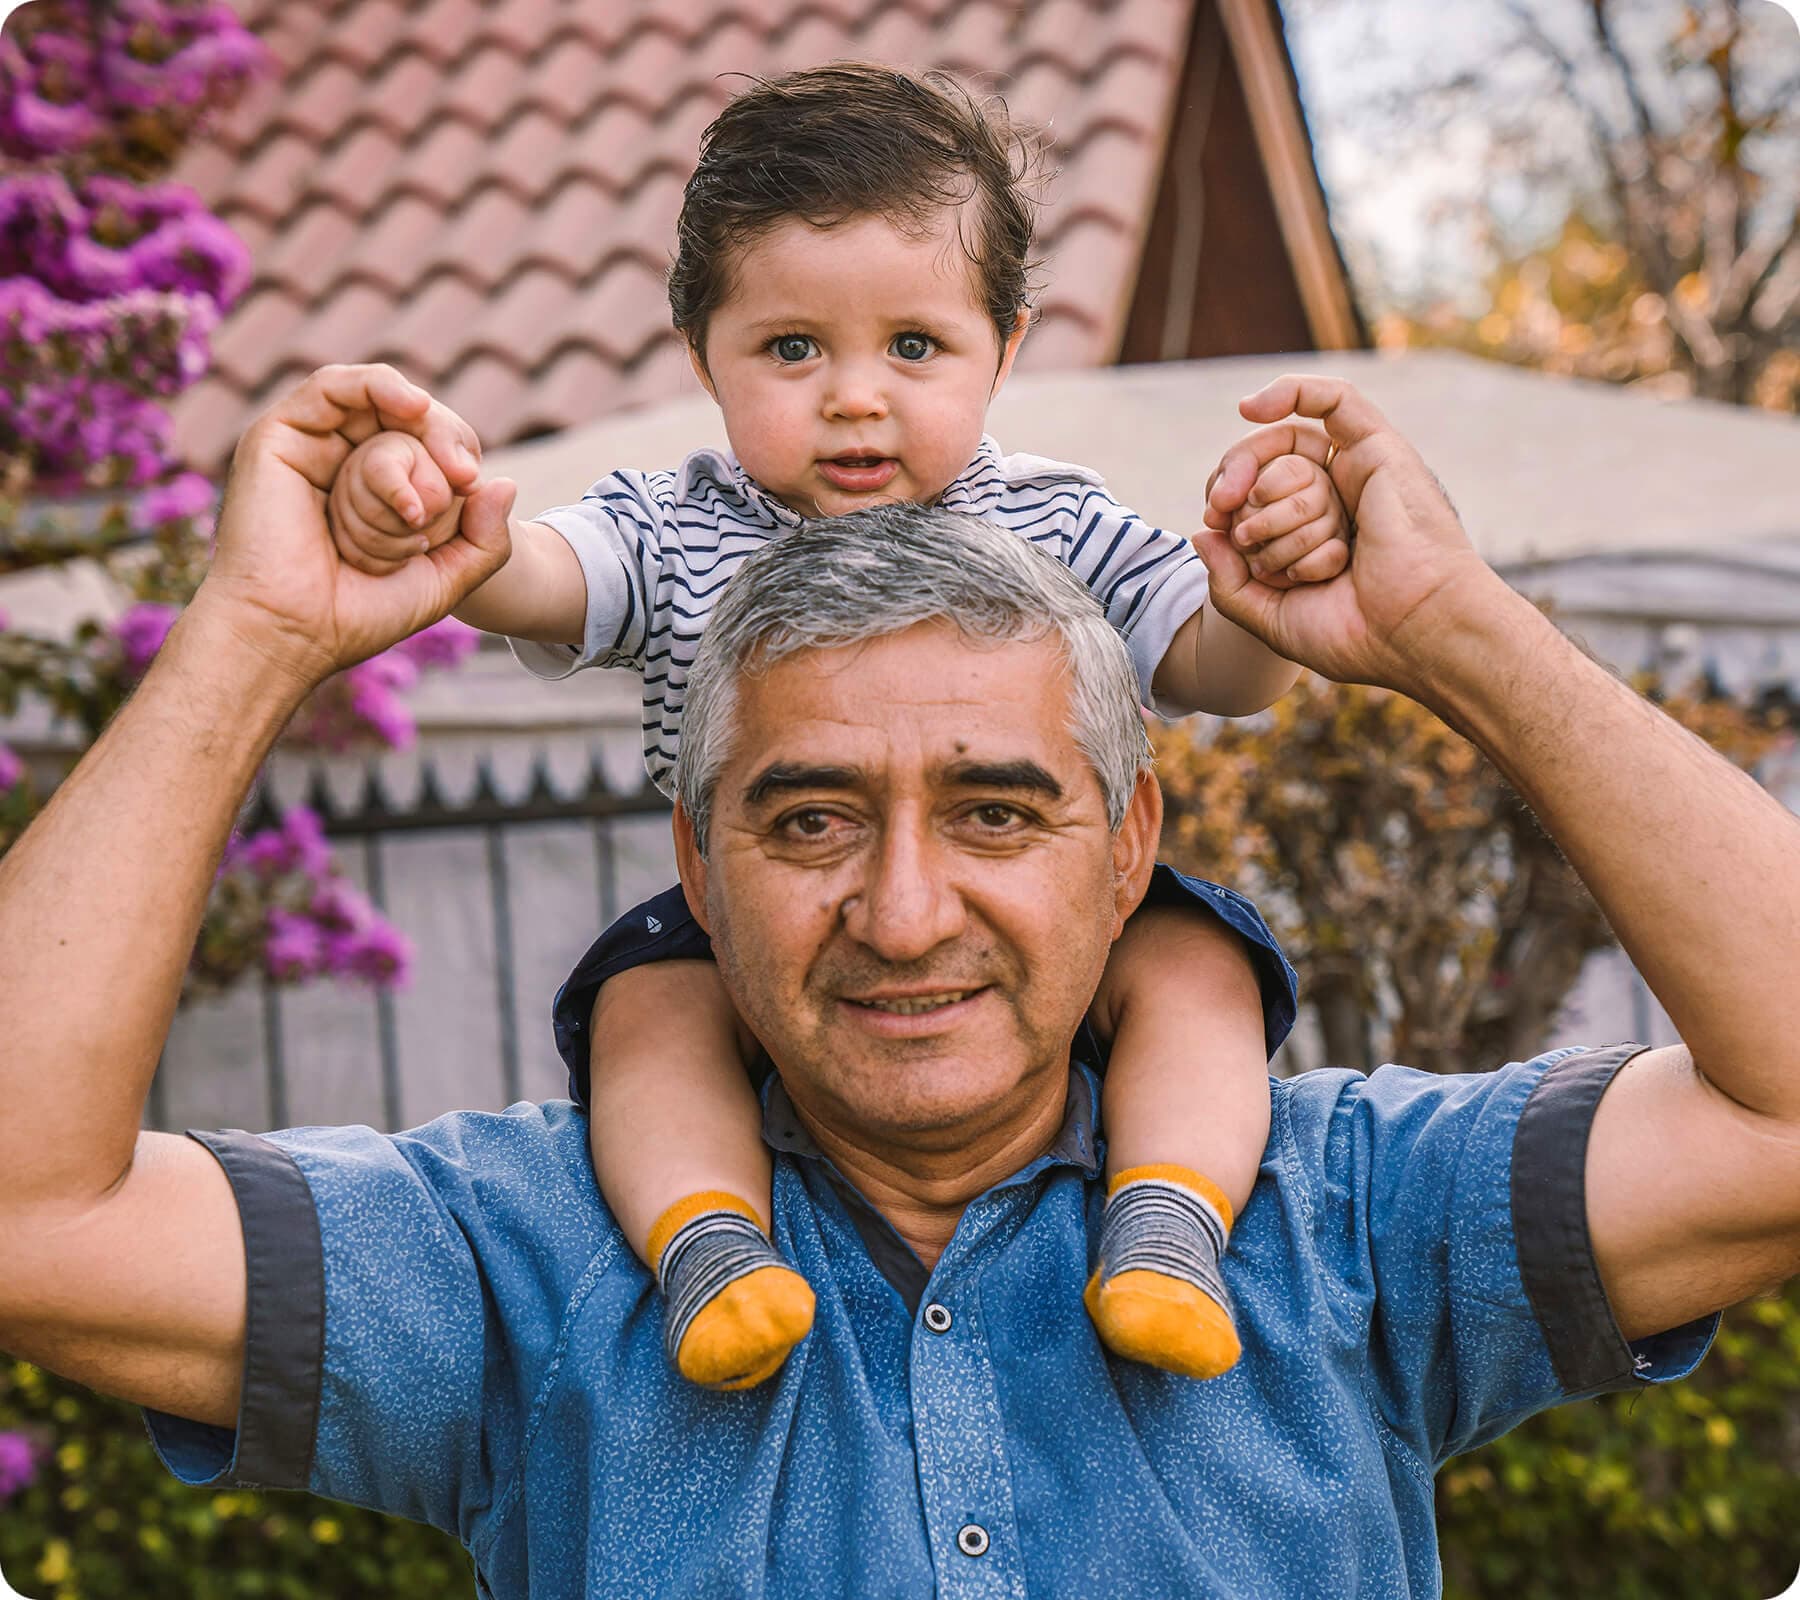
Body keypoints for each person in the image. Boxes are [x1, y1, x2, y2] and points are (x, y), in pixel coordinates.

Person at [4, 363, 1797, 1597]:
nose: (907, 909)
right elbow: (29, 1214)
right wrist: (251, 639)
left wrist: (1459, 637)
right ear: (695, 868)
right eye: (809, 821)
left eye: (1000, 810)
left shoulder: (1358, 1221)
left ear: (1129, 850)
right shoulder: (519, 1266)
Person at [322, 63, 1351, 1391]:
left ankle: (1164, 1221)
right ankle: (711, 1249)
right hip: (754, 925)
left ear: (1006, 349)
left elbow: (1213, 664)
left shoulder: (1052, 517)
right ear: (704, 358)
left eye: (914, 346)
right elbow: (546, 577)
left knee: (1200, 969)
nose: (855, 396)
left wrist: (1270, 592)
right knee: (647, 1007)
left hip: (1049, 916)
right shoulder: (673, 520)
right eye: (792, 348)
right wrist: (451, 533)